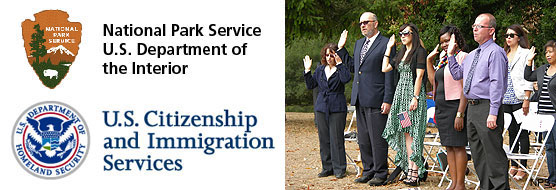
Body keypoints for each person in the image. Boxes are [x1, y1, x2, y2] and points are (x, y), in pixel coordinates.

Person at [447, 13, 509, 190]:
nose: (474, 29)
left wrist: (493, 112)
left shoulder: (495, 52)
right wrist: (451, 55)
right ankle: (485, 187)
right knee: (478, 153)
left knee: (493, 154)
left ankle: (500, 187)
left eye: (479, 26)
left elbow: (497, 84)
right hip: (472, 108)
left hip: (487, 106)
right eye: (474, 25)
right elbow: (458, 74)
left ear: (491, 31)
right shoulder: (473, 54)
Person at [336, 12, 396, 186]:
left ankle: (381, 172)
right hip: (360, 98)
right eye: (361, 23)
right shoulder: (359, 43)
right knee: (363, 139)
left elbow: (389, 73)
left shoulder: (386, 43)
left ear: (375, 24)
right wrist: (341, 49)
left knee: (377, 139)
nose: (362, 25)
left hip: (378, 98)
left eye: (366, 22)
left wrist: (387, 99)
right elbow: (355, 67)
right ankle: (368, 170)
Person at [381, 23, 427, 187]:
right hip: (400, 99)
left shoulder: (419, 52)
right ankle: (409, 168)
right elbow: (385, 68)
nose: (402, 36)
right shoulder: (402, 53)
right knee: (407, 132)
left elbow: (420, 76)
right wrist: (388, 48)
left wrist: (415, 97)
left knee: (414, 133)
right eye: (401, 33)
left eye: (405, 33)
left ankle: (415, 172)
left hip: (412, 98)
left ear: (413, 34)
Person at [425, 25, 469, 190]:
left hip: (455, 105)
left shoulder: (463, 57)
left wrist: (460, 113)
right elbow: (433, 81)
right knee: (449, 146)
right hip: (441, 105)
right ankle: (453, 182)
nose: (444, 44)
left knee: (458, 145)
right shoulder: (443, 58)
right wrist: (429, 61)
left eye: (447, 41)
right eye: (442, 41)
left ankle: (460, 184)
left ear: (456, 40)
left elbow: (466, 88)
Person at [303, 43, 351, 179]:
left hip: (337, 107)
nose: (329, 58)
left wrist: (340, 64)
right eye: (327, 55)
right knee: (324, 139)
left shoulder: (341, 69)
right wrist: (307, 71)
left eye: (332, 55)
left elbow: (346, 79)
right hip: (322, 107)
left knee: (336, 138)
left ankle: (339, 168)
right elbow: (311, 85)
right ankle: (327, 167)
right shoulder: (320, 70)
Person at [502, 24, 534, 181]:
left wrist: (527, 99)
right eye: (506, 35)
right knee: (511, 131)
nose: (508, 38)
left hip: (519, 97)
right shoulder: (504, 53)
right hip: (505, 97)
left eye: (511, 35)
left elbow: (528, 77)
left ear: (519, 37)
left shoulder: (526, 53)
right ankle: (513, 164)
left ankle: (523, 166)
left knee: (523, 132)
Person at [524, 40, 556, 188]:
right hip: (544, 115)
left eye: (551, 51)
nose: (548, 54)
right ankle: (552, 179)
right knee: (549, 147)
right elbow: (528, 76)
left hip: (555, 115)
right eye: (546, 52)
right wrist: (529, 61)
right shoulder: (543, 69)